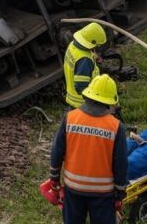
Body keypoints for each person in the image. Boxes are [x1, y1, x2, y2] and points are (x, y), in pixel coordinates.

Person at [50, 74, 127, 224]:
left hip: (73, 189)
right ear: (109, 102)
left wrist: (54, 178)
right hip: (103, 193)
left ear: (88, 95)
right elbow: (121, 163)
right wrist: (120, 191)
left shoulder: (70, 118)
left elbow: (57, 150)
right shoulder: (116, 127)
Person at [63, 23, 107, 108]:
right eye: (96, 45)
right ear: (91, 43)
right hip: (83, 103)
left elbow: (79, 55)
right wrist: (96, 101)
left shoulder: (73, 45)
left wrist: (93, 56)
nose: (97, 47)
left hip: (73, 98)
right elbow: (81, 87)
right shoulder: (85, 61)